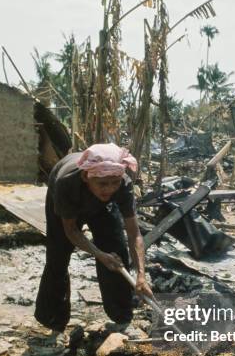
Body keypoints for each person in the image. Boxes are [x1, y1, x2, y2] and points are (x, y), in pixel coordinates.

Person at [35, 143, 153, 334]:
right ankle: (53, 320)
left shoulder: (122, 184)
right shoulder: (67, 183)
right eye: (103, 184)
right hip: (69, 203)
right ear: (86, 177)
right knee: (58, 256)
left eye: (114, 182)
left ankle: (122, 317)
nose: (109, 188)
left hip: (101, 208)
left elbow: (134, 233)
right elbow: (72, 231)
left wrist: (141, 275)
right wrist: (98, 254)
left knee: (116, 252)